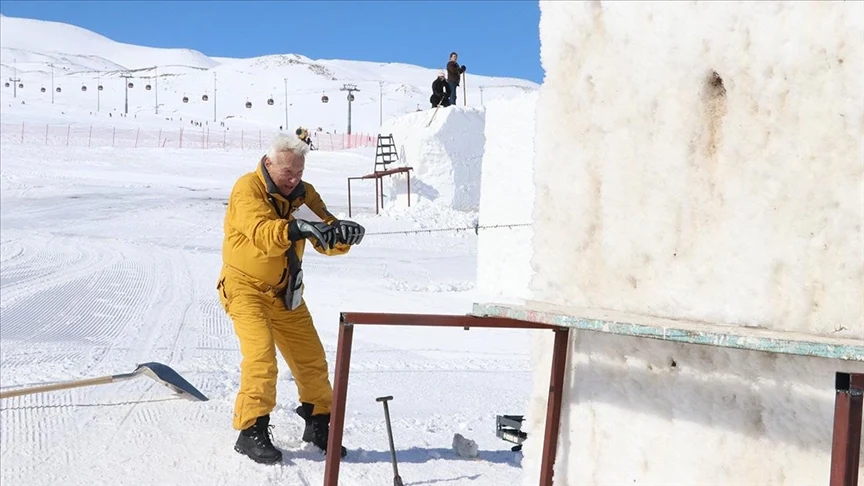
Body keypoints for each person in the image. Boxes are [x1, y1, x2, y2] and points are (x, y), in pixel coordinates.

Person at [217, 133, 365, 464]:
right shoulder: (247, 188)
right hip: (245, 289)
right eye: (288, 172)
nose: (293, 179)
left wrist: (343, 235)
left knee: (311, 359)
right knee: (261, 357)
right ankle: (251, 429)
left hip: (287, 292)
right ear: (269, 164)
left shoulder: (303, 194)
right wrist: (297, 229)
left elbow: (324, 232)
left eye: (299, 171)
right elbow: (263, 233)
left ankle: (319, 425)